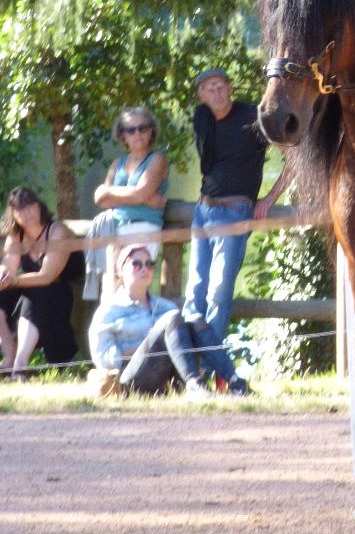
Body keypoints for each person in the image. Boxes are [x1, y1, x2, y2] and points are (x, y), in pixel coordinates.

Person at [182, 68, 290, 387]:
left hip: (235, 213)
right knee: (195, 293)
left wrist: (269, 199)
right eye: (208, 88)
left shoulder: (252, 117)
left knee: (218, 292)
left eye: (219, 86)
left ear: (230, 88)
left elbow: (295, 157)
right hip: (203, 212)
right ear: (201, 95)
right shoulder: (201, 118)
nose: (215, 92)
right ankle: (193, 371)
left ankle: (217, 374)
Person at [88, 244, 246, 398]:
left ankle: (236, 383)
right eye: (136, 264)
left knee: (195, 320)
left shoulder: (165, 306)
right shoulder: (109, 311)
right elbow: (102, 358)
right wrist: (136, 349)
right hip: (132, 380)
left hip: (172, 374)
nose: (144, 268)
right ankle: (195, 385)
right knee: (171, 319)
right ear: (121, 270)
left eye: (149, 264)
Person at [84, 107, 169, 299]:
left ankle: (139, 328)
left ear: (151, 131)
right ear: (123, 136)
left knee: (134, 286)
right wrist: (139, 195)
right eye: (131, 130)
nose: (137, 133)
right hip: (115, 230)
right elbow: (100, 198)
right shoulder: (118, 163)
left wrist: (111, 191)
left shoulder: (157, 159)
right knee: (111, 290)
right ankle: (112, 329)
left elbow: (139, 194)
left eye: (143, 128)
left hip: (144, 229)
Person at [0, 187, 85, 377]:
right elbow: (8, 268)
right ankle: (9, 356)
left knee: (37, 293)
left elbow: (48, 275)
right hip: (35, 288)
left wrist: (13, 279)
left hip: (62, 289)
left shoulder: (57, 231)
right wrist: (3, 276)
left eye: (30, 206)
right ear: (13, 214)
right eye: (20, 209)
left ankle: (20, 364)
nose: (27, 212)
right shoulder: (16, 236)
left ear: (40, 207)